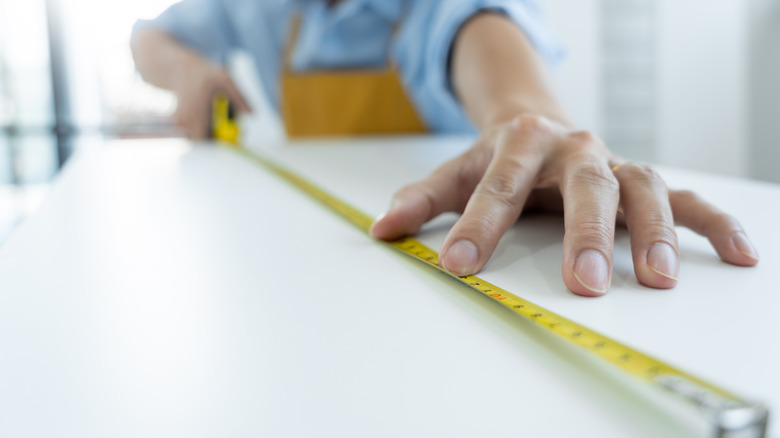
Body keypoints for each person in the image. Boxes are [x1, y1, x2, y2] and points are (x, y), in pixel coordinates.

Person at [131, 0, 758, 297]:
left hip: (449, 227)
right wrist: (184, 69)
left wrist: (529, 126)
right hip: (301, 256)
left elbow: (478, 24)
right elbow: (148, 36)